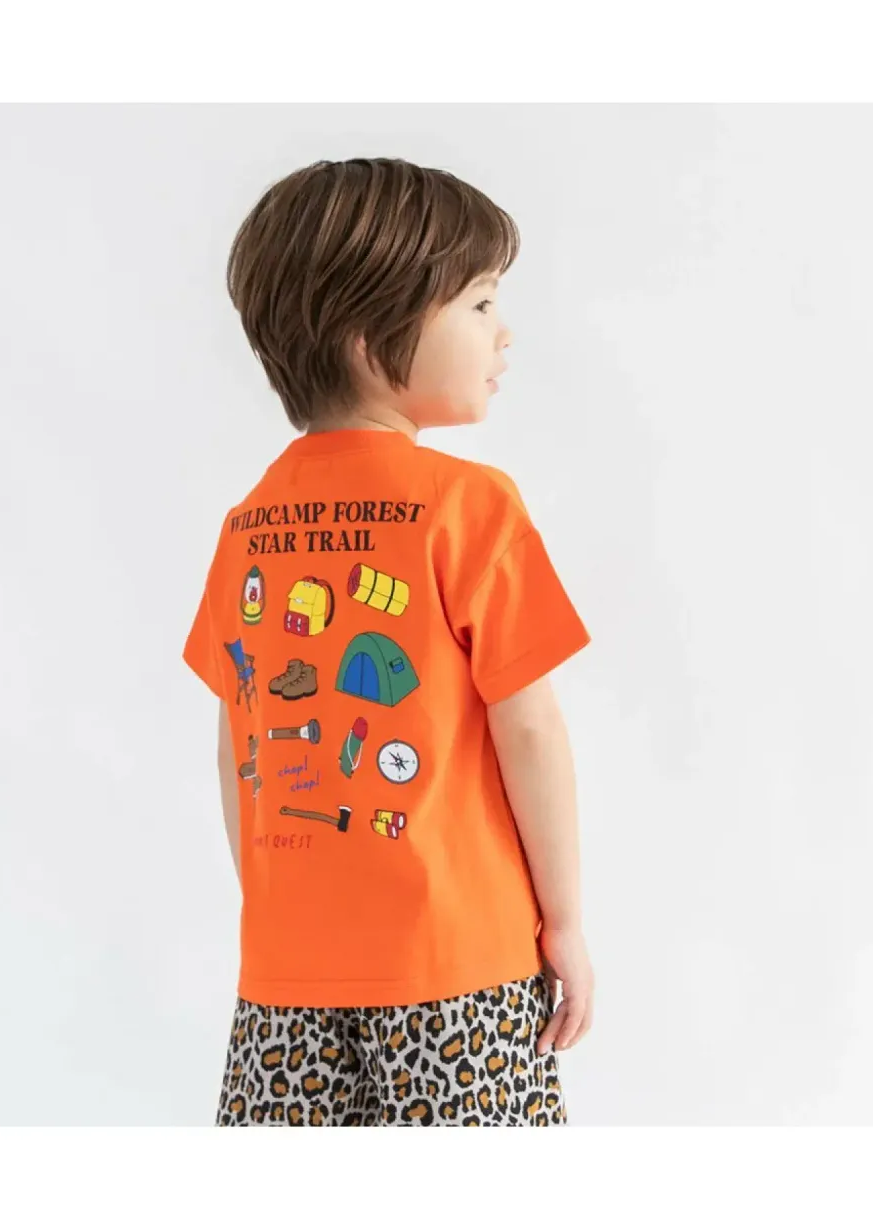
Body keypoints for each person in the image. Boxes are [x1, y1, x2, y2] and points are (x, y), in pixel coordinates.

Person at [183, 157, 594, 1126]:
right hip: (460, 963)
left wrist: (279, 908)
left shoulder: (249, 523)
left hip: (285, 976)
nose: (504, 332)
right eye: (480, 303)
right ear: (369, 338)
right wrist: (565, 920)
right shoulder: (467, 506)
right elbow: (529, 728)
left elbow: (238, 740)